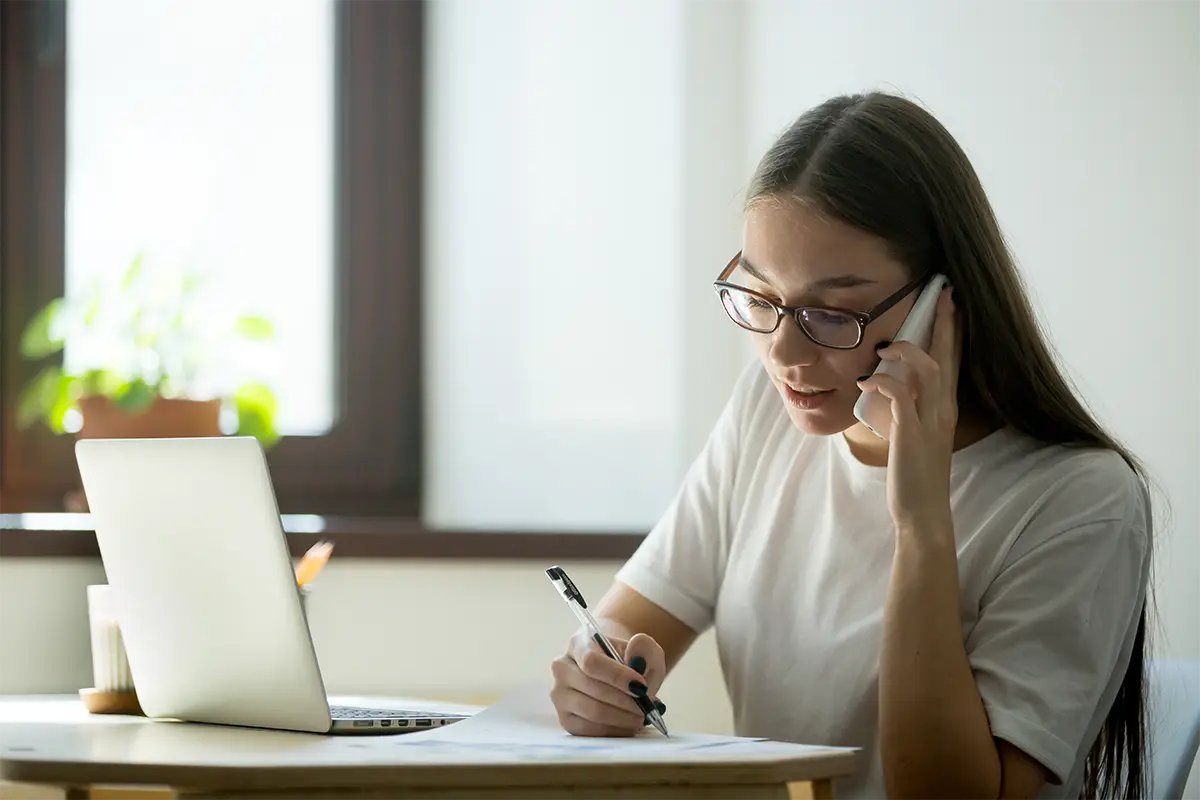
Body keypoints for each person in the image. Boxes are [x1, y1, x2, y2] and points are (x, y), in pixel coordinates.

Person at [548, 91, 1154, 800]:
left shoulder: (1080, 499)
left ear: (941, 300)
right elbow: (629, 623)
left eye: (830, 314)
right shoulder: (767, 414)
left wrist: (922, 524)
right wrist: (602, 672)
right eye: (763, 297)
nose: (784, 353)